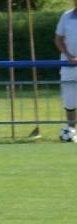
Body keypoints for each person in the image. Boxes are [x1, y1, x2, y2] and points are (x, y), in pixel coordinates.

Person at [54, 0, 77, 142]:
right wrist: (68, 56)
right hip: (68, 65)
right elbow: (58, 39)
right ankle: (72, 131)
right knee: (69, 100)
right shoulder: (66, 16)